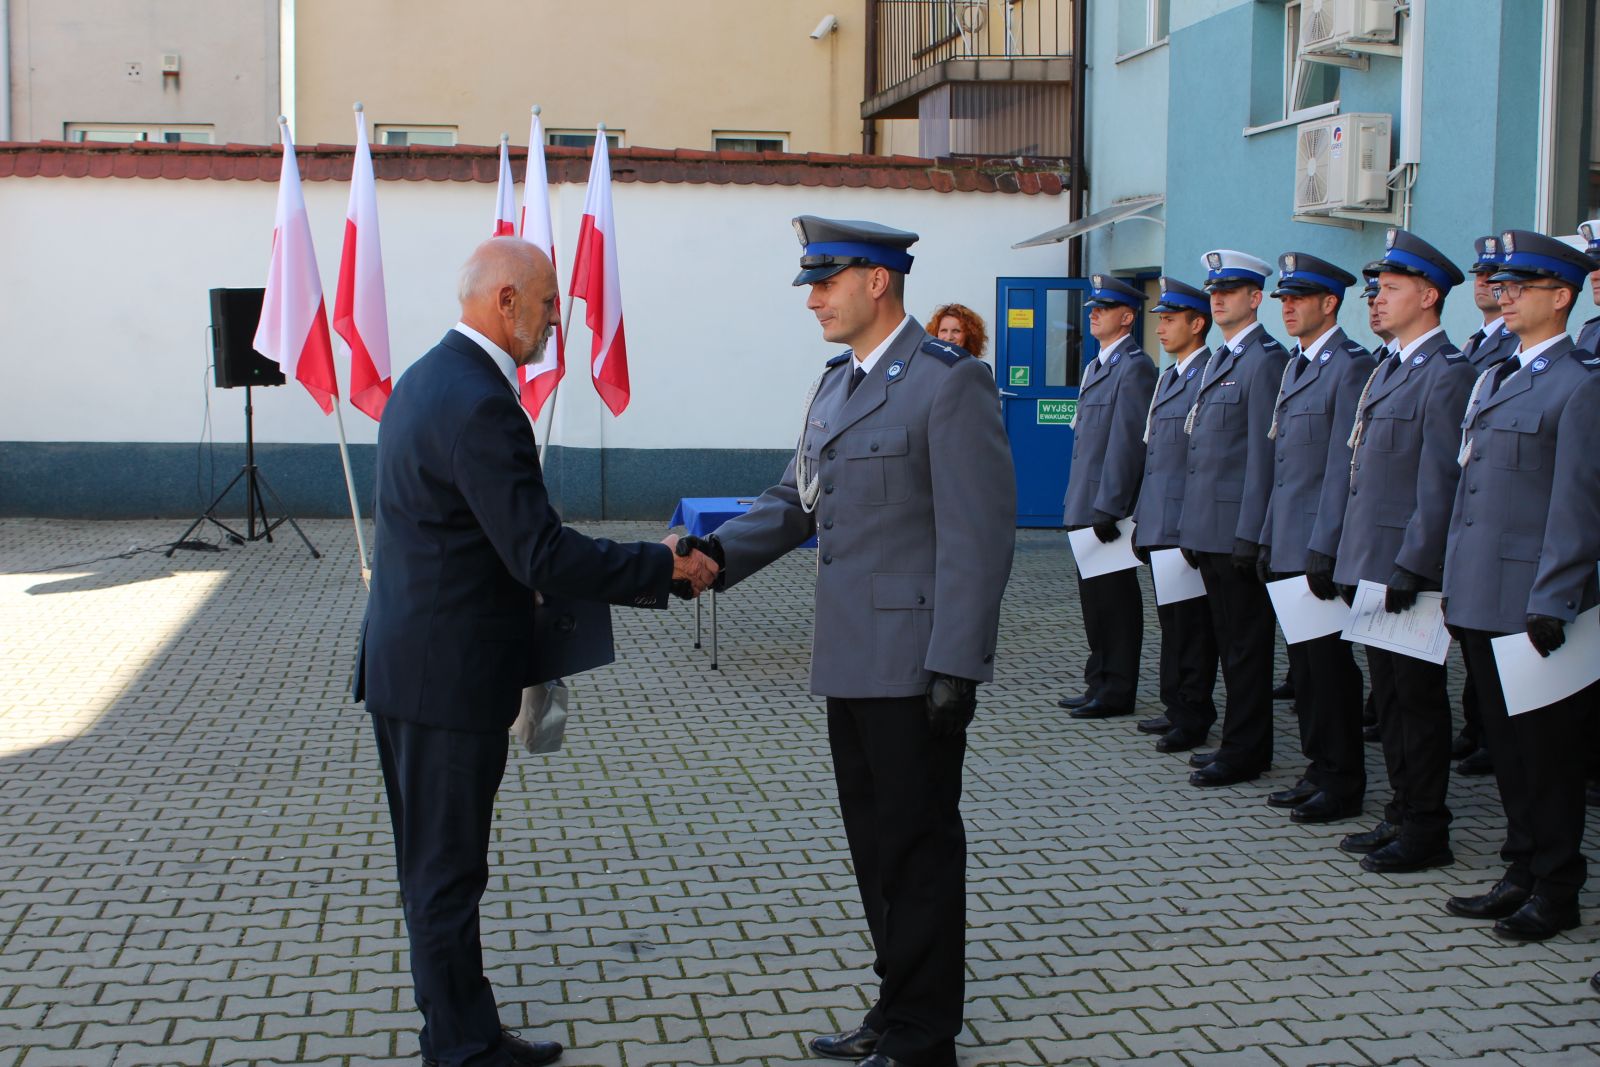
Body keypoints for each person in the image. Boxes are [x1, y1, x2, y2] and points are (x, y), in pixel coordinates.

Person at [353, 238, 716, 1067]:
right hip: (446, 677)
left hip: (410, 662)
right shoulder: (481, 402)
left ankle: (462, 1028)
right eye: (550, 302)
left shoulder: (425, 377)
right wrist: (662, 565)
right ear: (507, 301)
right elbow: (539, 553)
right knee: (446, 871)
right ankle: (459, 1047)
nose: (560, 318)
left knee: (435, 867)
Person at [691, 216, 1015, 1067]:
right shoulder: (835, 385)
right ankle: (895, 1005)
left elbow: (980, 536)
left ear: (878, 281)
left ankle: (924, 1035)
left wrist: (958, 662)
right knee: (876, 846)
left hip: (915, 667)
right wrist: (715, 556)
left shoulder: (949, 383)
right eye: (811, 282)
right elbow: (794, 499)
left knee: (919, 847)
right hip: (847, 656)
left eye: (826, 281)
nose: (813, 300)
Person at [1441, 229, 1600, 942]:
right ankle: (1521, 868)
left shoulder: (1579, 386)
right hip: (1479, 592)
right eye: (1500, 286)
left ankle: (1558, 884)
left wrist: (1554, 598)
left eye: (1518, 287)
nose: (1501, 296)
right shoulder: (1497, 374)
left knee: (1547, 755)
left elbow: (1576, 506)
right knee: (1506, 749)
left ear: (1560, 296)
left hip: (1530, 604)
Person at [1333, 228, 1472, 873]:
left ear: (1429, 295)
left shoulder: (1445, 374)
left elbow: (1438, 481)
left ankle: (1426, 826)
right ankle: (1400, 811)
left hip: (1408, 571)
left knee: (1416, 700)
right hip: (1373, 562)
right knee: (1387, 699)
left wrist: (1414, 564)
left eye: (1389, 290)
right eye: (1373, 291)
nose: (1375, 301)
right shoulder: (1390, 368)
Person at [1258, 253, 1374, 824]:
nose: (1288, 307)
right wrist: (1264, 535)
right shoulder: (1299, 365)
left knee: (1329, 669)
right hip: (1288, 540)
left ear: (1330, 303)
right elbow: (1285, 463)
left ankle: (1342, 779)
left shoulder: (1347, 366)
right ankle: (1317, 766)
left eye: (1298, 298)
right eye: (1283, 298)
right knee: (1304, 668)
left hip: (1317, 546)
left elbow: (1340, 465)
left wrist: (1326, 545)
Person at [1181, 250, 1289, 787]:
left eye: (1231, 290)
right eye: (1214, 290)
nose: (1218, 298)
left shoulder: (1264, 359)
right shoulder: (1224, 357)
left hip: (1238, 532)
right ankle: (1237, 740)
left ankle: (1246, 749)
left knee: (1246, 647)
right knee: (1227, 642)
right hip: (1212, 529)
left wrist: (1251, 532)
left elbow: (1261, 456)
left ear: (1255, 298)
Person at [1058, 275, 1157, 720]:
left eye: (1104, 307)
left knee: (1114, 602)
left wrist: (1111, 506)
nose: (1094, 313)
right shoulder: (1098, 365)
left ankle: (1117, 688)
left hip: (1106, 509)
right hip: (1086, 502)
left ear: (1127, 317)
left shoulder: (1134, 367)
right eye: (1093, 307)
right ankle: (1098, 679)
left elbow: (1127, 442)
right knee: (1094, 601)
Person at [1131, 276, 1219, 752]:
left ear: (1197, 323)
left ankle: (1194, 712)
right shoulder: (1170, 376)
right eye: (1160, 320)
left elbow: (1201, 463)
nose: (1161, 329)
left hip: (1189, 524)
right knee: (1173, 623)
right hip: (1162, 522)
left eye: (1170, 320)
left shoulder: (1208, 373)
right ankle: (1175, 706)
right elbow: (1156, 457)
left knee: (1194, 627)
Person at [1451, 236, 1517, 776]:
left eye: (1498, 278)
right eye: (1481, 276)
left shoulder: (1514, 353)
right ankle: (1479, 732)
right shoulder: (1476, 346)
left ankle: (1491, 738)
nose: (1487, 286)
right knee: (1476, 654)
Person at [929, 302, 990, 370]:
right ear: (936, 333)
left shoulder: (981, 369)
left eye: (956, 331)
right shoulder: (927, 367)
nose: (949, 337)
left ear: (969, 334)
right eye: (944, 330)